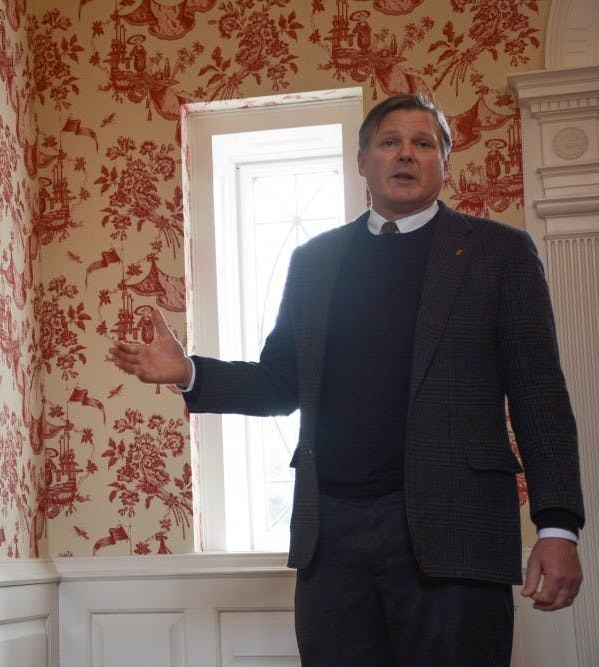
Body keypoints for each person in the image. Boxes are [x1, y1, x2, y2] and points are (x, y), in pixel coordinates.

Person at [110, 94, 584, 666]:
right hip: (331, 533)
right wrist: (190, 372)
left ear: (444, 163)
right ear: (363, 159)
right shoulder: (315, 260)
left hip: (455, 529)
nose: (405, 155)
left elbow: (540, 396)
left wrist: (559, 527)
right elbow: (281, 383)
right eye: (389, 142)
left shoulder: (499, 252)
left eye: (422, 144)